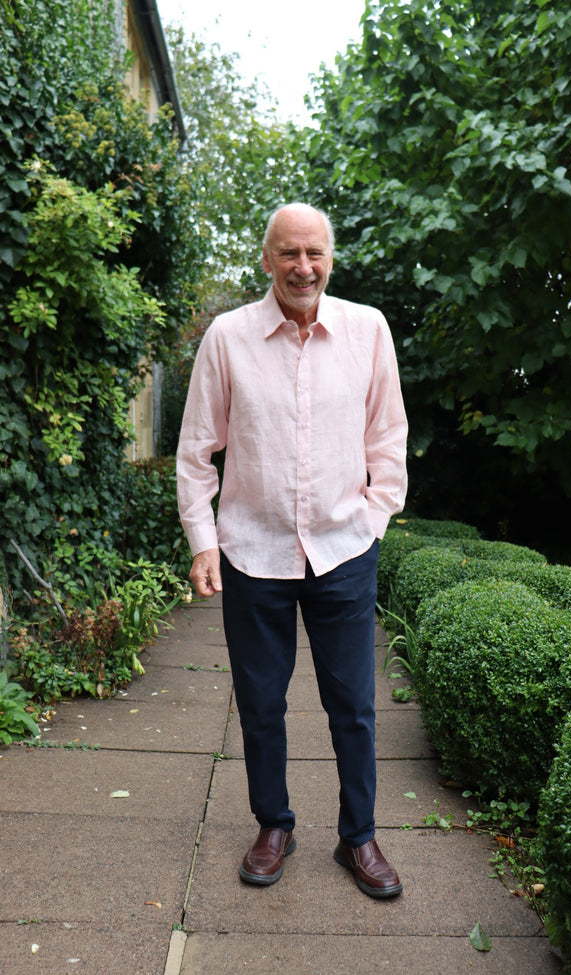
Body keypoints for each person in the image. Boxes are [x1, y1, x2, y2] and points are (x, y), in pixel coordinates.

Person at [176, 202, 408, 898]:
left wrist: (372, 522)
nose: (302, 267)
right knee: (260, 701)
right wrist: (204, 541)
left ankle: (358, 835)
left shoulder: (368, 330)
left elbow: (388, 440)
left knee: (353, 704)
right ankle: (273, 824)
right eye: (288, 254)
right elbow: (195, 452)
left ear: (330, 258)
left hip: (344, 549)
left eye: (314, 253)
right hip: (253, 552)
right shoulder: (227, 337)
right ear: (267, 258)